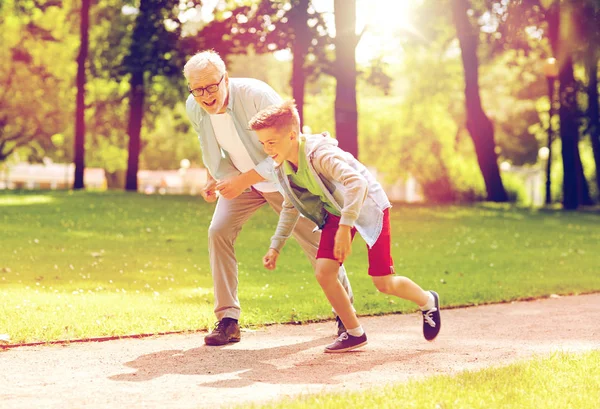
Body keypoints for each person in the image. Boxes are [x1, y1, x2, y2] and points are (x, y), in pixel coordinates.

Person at [183, 50, 354, 346]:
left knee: (317, 246)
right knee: (218, 232)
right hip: (241, 181)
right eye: (197, 89)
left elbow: (291, 147)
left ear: (226, 78)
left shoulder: (257, 96)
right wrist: (214, 179)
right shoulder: (194, 106)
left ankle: (346, 316)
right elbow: (209, 147)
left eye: (212, 86)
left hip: (286, 179)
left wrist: (243, 180)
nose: (206, 95)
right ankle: (228, 320)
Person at [249, 100, 442, 353]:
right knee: (324, 272)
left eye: (271, 142)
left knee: (383, 283)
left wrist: (345, 227)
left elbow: (357, 184)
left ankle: (428, 300)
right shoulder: (284, 167)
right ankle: (354, 333)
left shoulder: (321, 156)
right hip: (335, 211)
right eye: (262, 144)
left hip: (368, 206)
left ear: (292, 135)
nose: (266, 149)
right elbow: (290, 205)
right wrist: (276, 246)